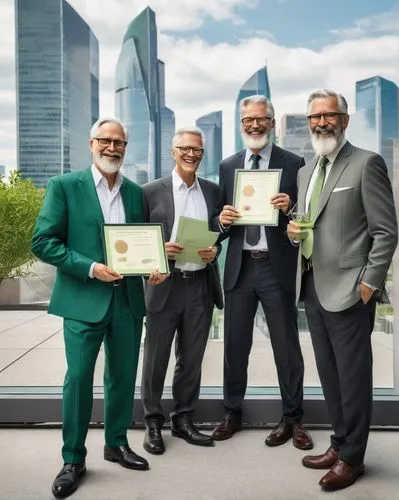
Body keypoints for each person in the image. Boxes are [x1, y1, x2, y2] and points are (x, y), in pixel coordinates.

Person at [31, 117, 167, 499]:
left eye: (119, 142)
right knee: (78, 380)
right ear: (91, 144)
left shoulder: (135, 192)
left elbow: (140, 244)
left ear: (126, 147)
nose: (112, 148)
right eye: (105, 141)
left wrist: (152, 269)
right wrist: (91, 268)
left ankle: (117, 443)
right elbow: (43, 242)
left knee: (122, 377)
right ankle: (73, 459)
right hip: (83, 300)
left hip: (127, 300)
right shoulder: (65, 186)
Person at [287, 89, 398, 491]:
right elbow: (306, 221)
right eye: (314, 117)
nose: (320, 123)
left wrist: (369, 284)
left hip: (351, 290)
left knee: (353, 378)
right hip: (314, 286)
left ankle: (353, 458)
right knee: (330, 376)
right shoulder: (306, 171)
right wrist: (293, 231)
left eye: (328, 115)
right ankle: (338, 443)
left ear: (345, 120)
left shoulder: (367, 163)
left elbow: (386, 232)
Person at [211, 95, 313, 450]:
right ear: (242, 124)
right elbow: (219, 223)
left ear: (271, 122)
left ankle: (293, 420)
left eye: (261, 120)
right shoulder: (227, 166)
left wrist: (291, 207)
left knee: (287, 347)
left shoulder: (294, 163)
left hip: (276, 267)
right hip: (240, 268)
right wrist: (221, 221)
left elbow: (305, 217)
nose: (254, 126)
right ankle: (231, 414)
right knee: (235, 347)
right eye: (248, 121)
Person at [141, 127, 223, 454]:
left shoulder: (214, 191)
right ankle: (152, 422)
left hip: (200, 284)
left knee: (191, 359)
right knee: (156, 358)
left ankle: (184, 419)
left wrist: (215, 250)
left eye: (198, 150)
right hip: (165, 285)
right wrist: (159, 249)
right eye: (185, 149)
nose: (192, 155)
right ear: (173, 151)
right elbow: (138, 240)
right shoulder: (149, 192)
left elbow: (219, 232)